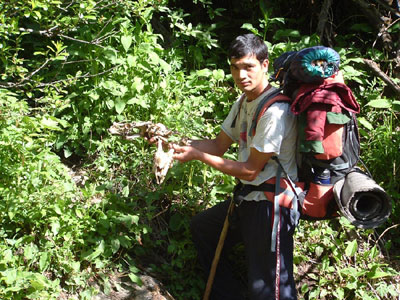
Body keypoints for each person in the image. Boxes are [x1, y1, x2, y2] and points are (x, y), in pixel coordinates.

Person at [171, 33, 298, 300]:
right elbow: (218, 146)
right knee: (205, 228)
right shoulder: (243, 102)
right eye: (235, 67)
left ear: (265, 65)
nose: (241, 75)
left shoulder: (275, 112)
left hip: (270, 205)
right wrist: (171, 141)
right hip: (247, 198)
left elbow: (250, 169)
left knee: (269, 289)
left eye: (248, 67)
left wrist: (197, 156)